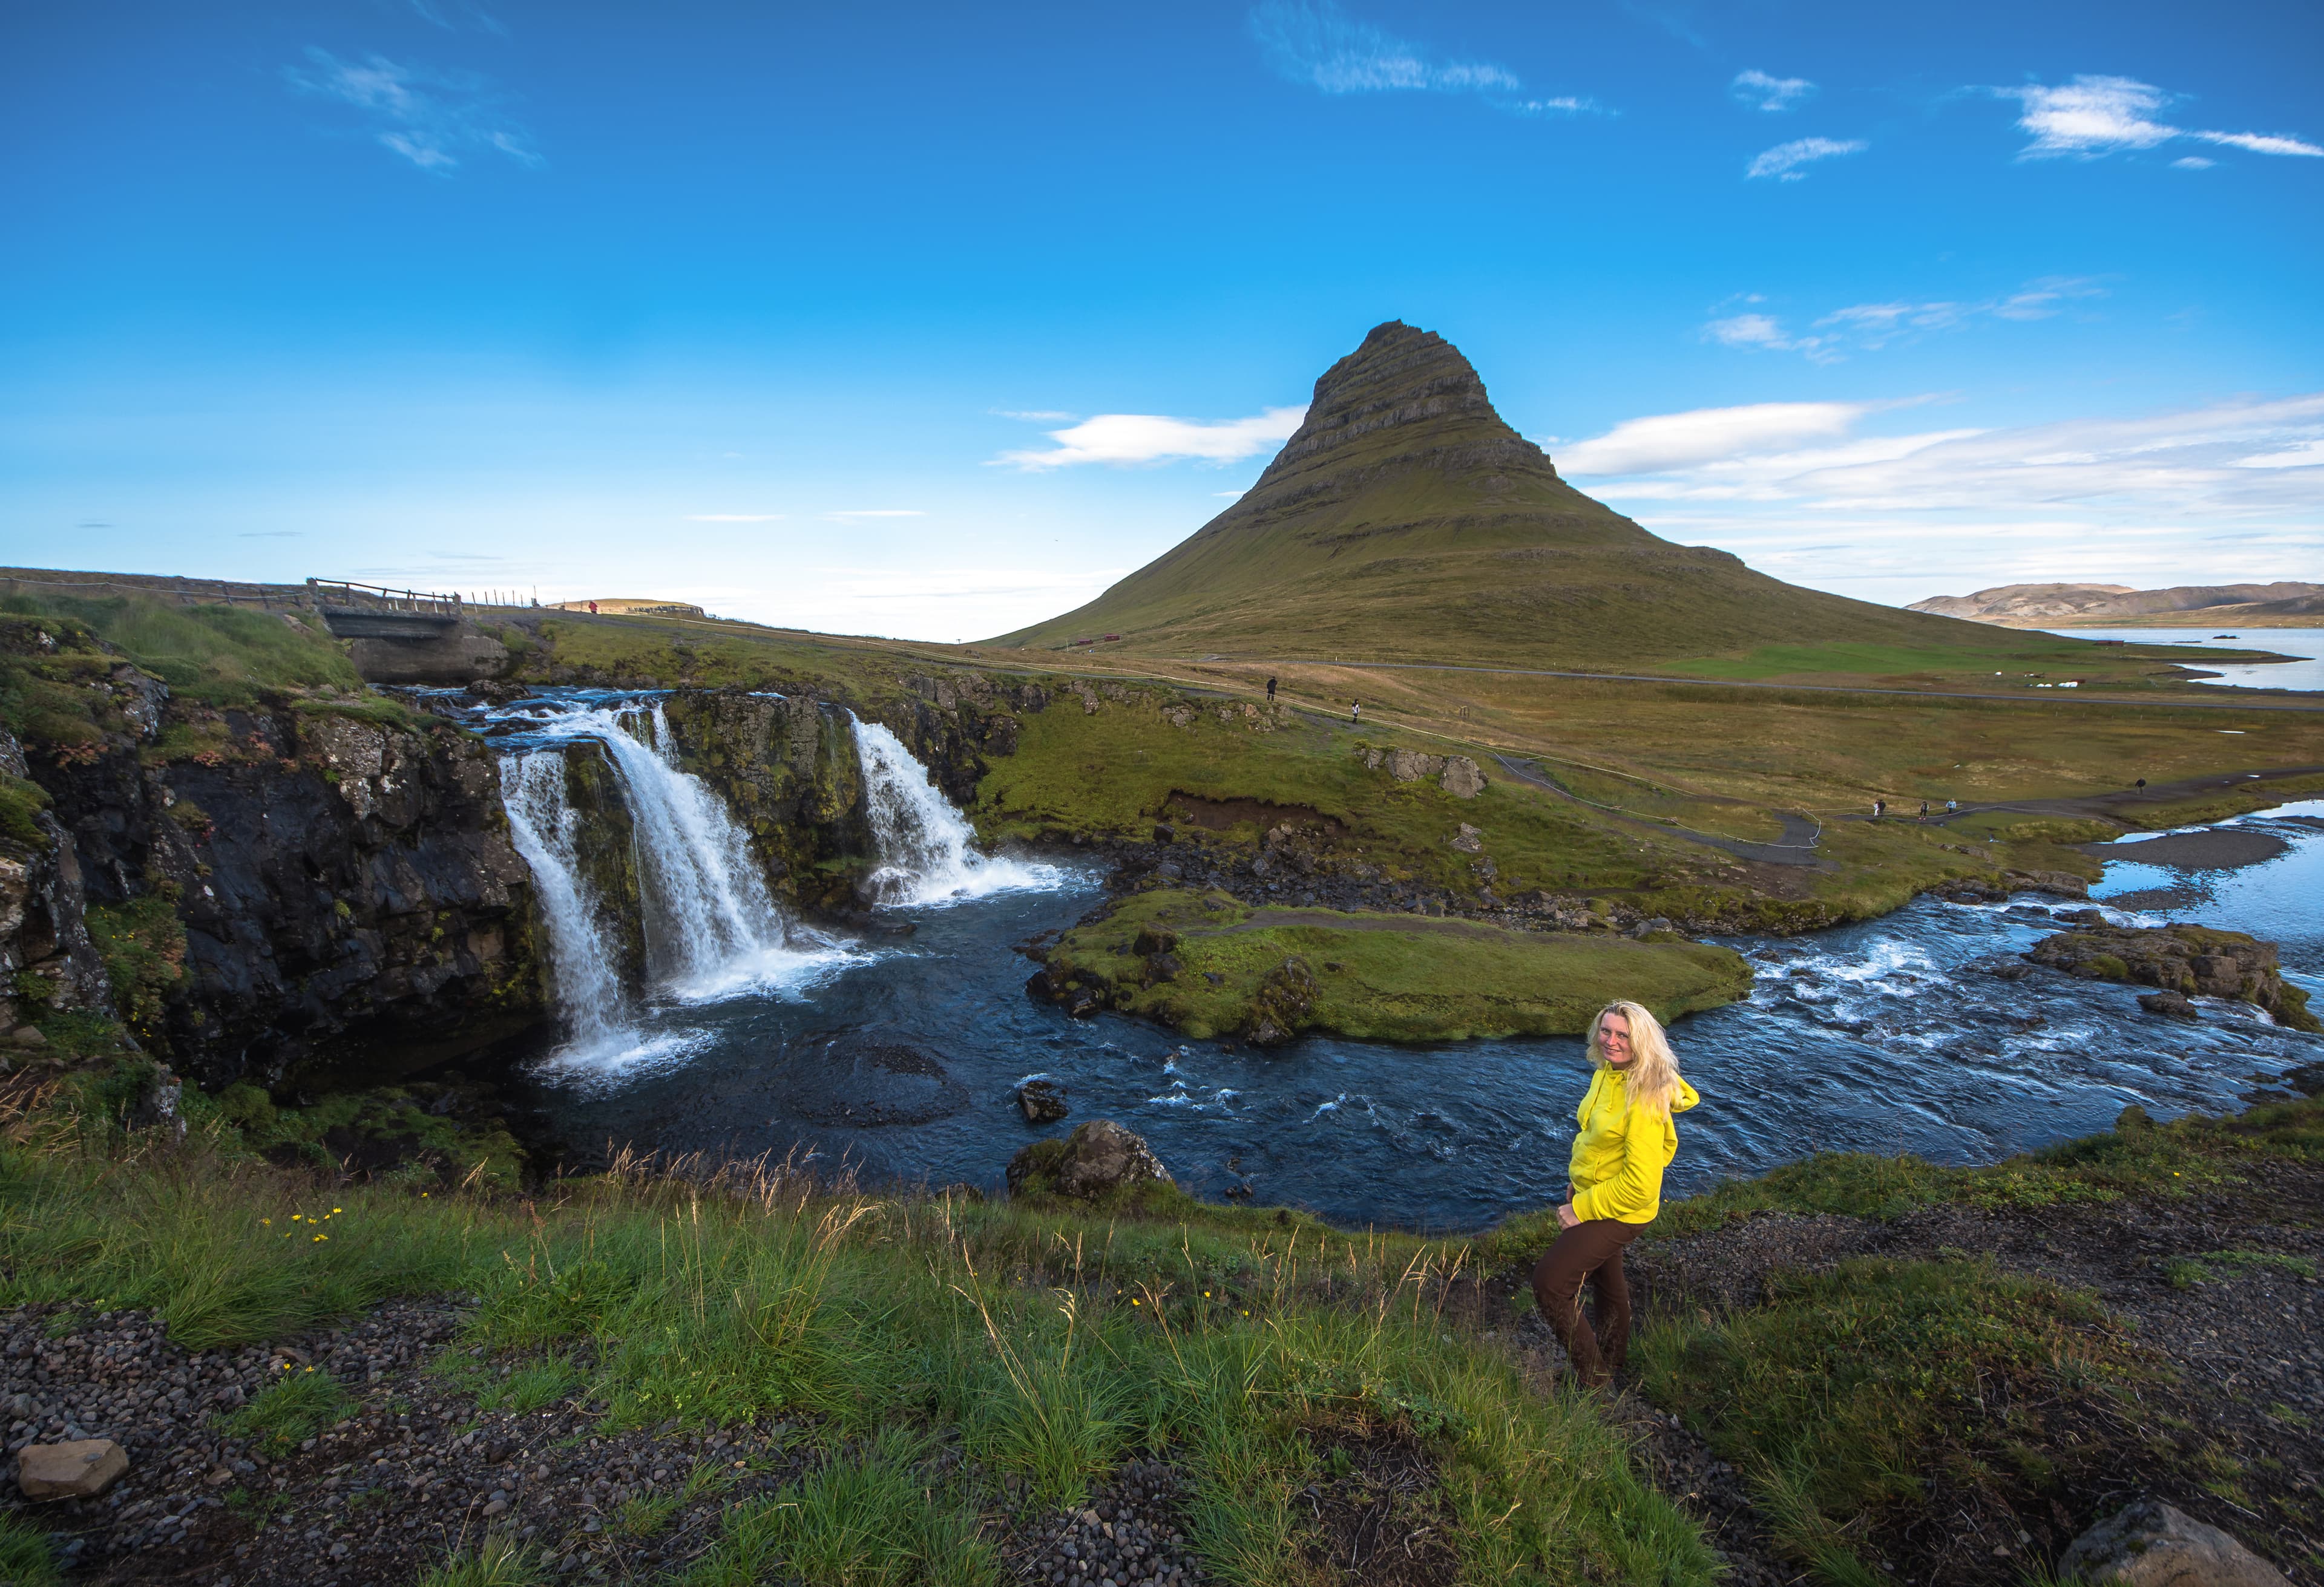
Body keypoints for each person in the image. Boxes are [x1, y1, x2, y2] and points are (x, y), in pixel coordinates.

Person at [1534, 1002, 1698, 1387]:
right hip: (1602, 1194)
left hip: (1624, 1209)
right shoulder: (1609, 1074)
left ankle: (1594, 1381)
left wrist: (1583, 1207)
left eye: (1623, 1035)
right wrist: (1580, 1183)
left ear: (1641, 1042)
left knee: (1551, 1284)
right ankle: (1613, 1359)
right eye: (1606, 1032)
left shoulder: (1643, 1097)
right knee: (1607, 1280)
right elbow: (1597, 1139)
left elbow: (1642, 1184)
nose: (1611, 1041)